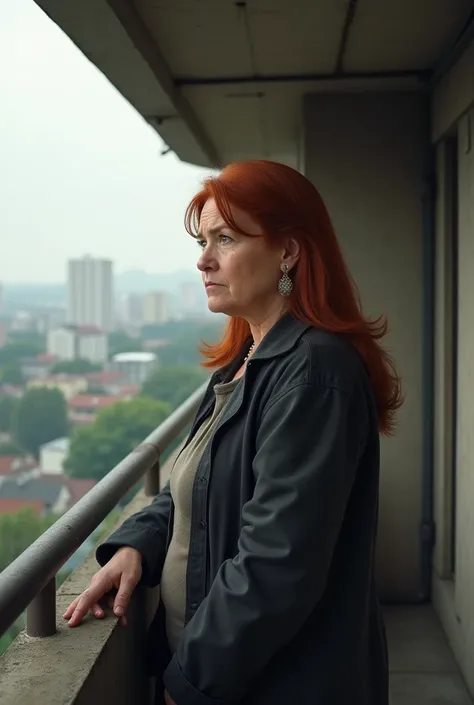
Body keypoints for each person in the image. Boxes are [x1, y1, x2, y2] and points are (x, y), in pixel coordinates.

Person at [64, 159, 402, 705]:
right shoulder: (247, 362)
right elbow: (189, 487)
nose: (203, 260)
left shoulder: (314, 373)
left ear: (288, 250)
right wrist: (135, 546)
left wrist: (190, 681)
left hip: (276, 685)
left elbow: (277, 561)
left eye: (225, 238)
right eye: (202, 240)